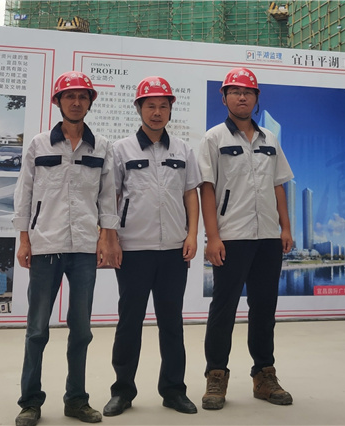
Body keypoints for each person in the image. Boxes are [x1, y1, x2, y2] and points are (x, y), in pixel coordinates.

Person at [12, 71, 121, 426]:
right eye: (69, 96)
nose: (76, 102)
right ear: (58, 101)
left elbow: (108, 197)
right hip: (46, 245)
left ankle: (76, 400)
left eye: (82, 96)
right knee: (37, 329)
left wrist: (106, 238)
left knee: (82, 330)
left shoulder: (101, 146)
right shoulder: (39, 144)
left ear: (90, 102)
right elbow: (24, 192)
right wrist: (24, 239)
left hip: (85, 248)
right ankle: (30, 402)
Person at [103, 76, 201, 417]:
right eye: (150, 106)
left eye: (163, 106)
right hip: (133, 249)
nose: (157, 112)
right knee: (129, 322)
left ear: (170, 109)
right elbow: (111, 197)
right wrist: (110, 239)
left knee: (171, 323)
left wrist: (192, 235)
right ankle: (122, 391)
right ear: (139, 109)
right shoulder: (121, 150)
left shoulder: (183, 150)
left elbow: (191, 194)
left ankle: (173, 390)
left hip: (174, 250)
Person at [198, 67, 294, 410]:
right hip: (232, 237)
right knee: (223, 309)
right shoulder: (213, 139)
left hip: (267, 237)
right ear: (224, 97)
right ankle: (216, 375)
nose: (242, 97)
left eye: (248, 92)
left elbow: (279, 185)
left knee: (264, 309)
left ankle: (264, 375)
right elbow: (207, 189)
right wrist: (212, 237)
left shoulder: (269, 139)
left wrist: (285, 229)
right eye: (235, 92)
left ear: (256, 99)